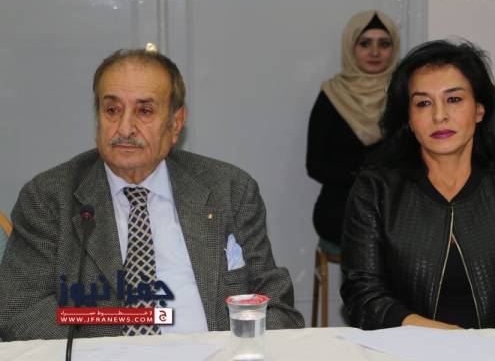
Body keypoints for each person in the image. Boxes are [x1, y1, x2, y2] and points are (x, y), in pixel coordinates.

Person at [0, 47, 304, 341]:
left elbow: (274, 302)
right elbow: (20, 308)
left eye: (144, 111)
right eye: (112, 110)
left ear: (175, 123)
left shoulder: (230, 189)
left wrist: (238, 349)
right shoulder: (49, 197)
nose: (125, 128)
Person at [341, 40, 495, 330]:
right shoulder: (375, 191)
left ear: (479, 110)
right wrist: (441, 337)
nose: (439, 116)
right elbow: (363, 295)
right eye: (423, 103)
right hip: (406, 345)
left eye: (454, 99)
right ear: (409, 119)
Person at [306, 10, 400, 245]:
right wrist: (363, 176)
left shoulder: (405, 94)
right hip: (342, 206)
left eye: (384, 44)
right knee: (374, 240)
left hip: (396, 205)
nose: (375, 52)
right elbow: (315, 165)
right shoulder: (332, 95)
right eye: (365, 43)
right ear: (351, 47)